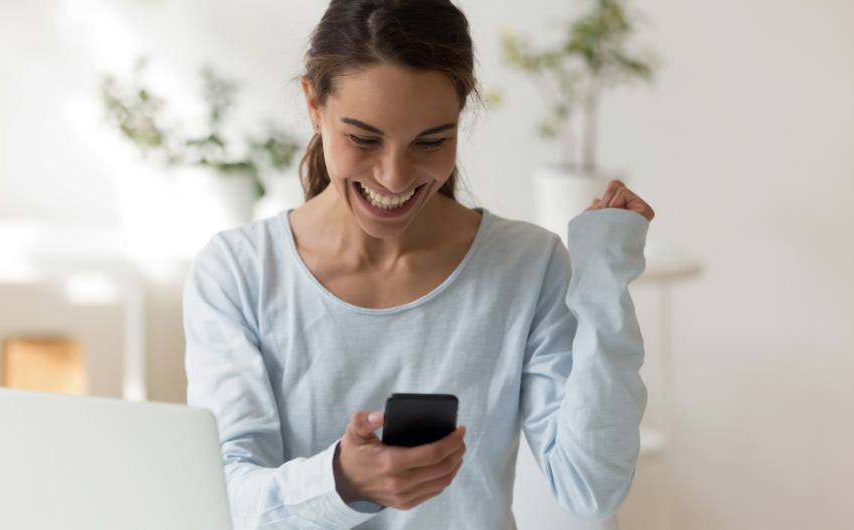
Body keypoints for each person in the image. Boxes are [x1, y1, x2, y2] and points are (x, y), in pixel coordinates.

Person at [184, 0, 656, 528]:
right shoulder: (238, 272)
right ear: (314, 106)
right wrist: (342, 481)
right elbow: (225, 498)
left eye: (431, 141)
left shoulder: (528, 266)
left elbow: (591, 489)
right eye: (363, 138)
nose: (393, 176)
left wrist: (604, 285)